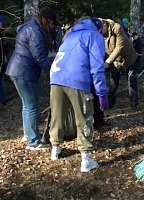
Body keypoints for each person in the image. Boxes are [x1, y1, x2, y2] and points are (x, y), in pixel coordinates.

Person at [48, 17, 108, 172]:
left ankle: (55, 148)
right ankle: (86, 158)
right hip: (77, 79)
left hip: (56, 76)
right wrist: (101, 93)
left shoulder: (70, 35)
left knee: (57, 115)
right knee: (84, 117)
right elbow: (97, 66)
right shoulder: (95, 36)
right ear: (99, 28)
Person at [6, 7, 58, 150]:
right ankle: (34, 141)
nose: (52, 26)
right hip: (24, 71)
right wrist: (53, 70)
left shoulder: (31, 27)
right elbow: (39, 56)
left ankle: (28, 134)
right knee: (32, 105)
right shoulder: (35, 31)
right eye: (52, 23)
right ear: (45, 20)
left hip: (18, 70)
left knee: (27, 105)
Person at [101, 18, 140, 111]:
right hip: (114, 60)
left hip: (128, 58)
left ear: (105, 25)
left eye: (100, 29)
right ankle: (110, 104)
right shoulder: (99, 32)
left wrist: (107, 62)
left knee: (131, 82)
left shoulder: (117, 28)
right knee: (113, 82)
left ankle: (134, 105)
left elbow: (120, 47)